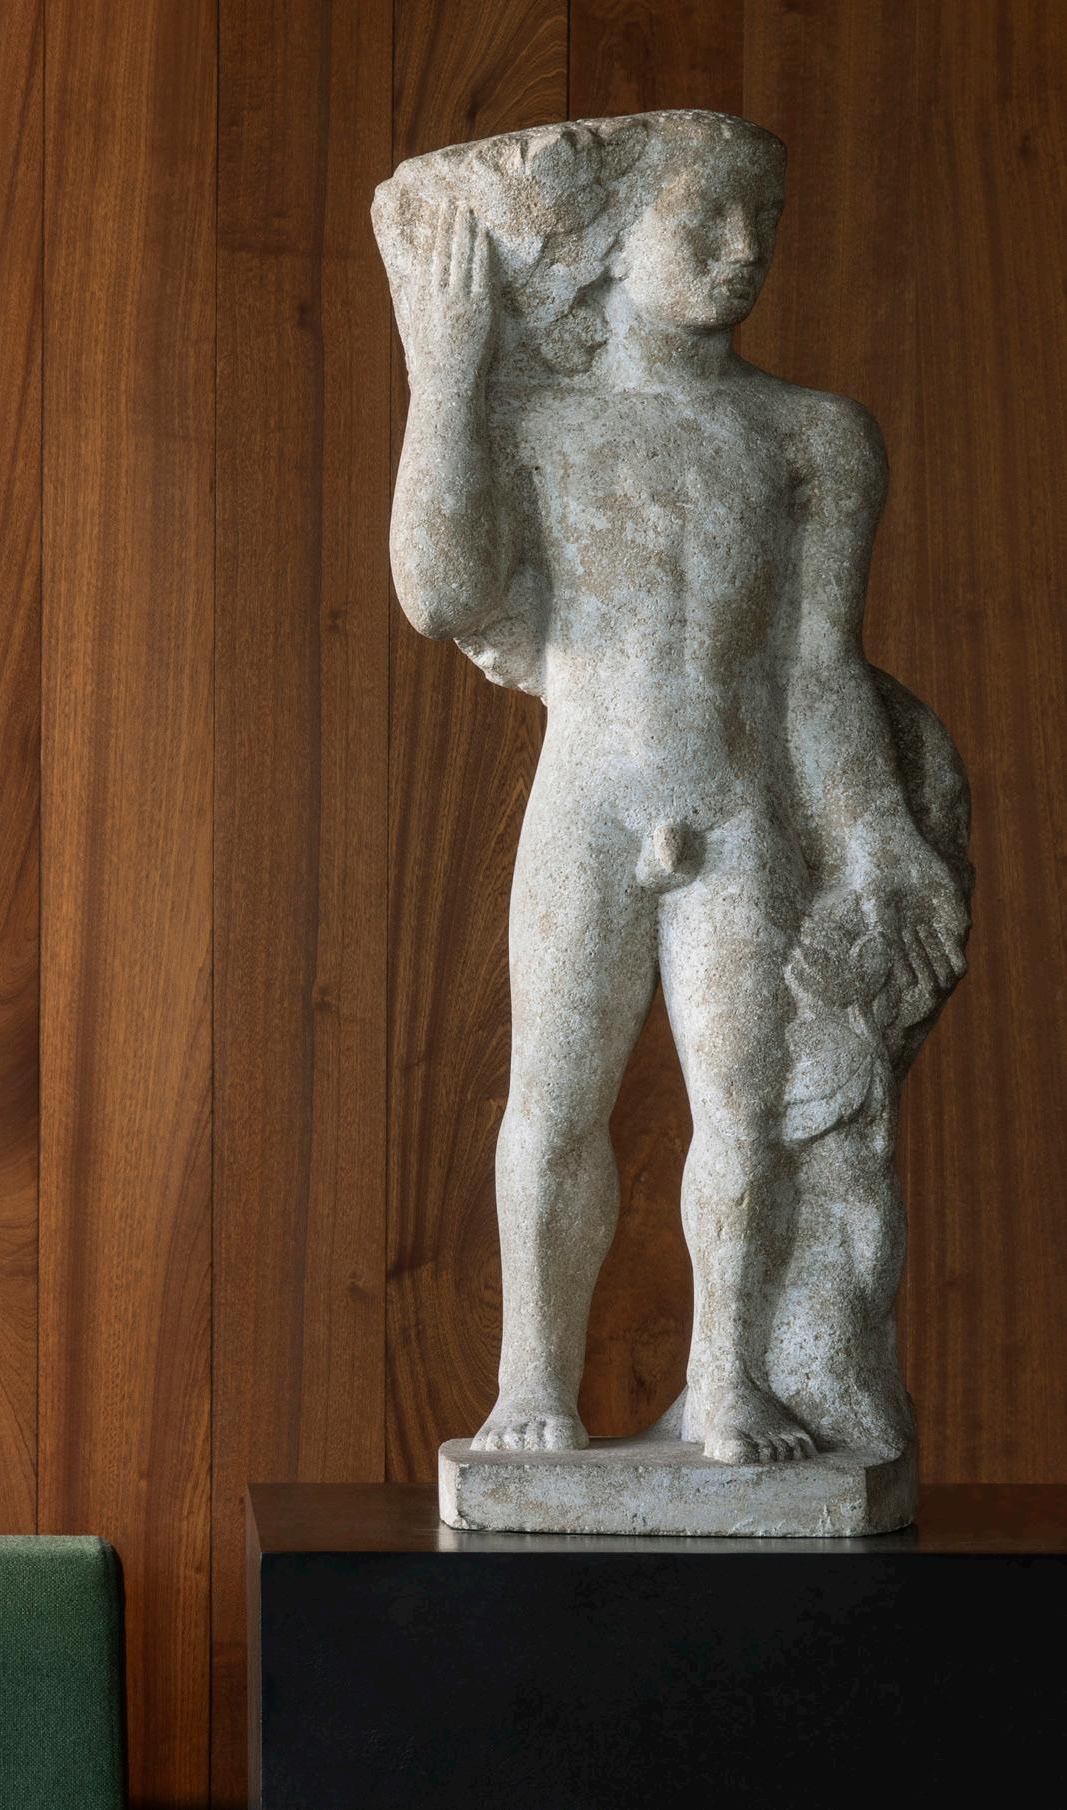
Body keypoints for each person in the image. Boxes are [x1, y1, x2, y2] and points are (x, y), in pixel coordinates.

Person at [381, 113, 968, 1464]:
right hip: (590, 802)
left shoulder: (814, 439)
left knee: (743, 1116)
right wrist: (447, 379)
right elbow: (442, 593)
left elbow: (817, 671)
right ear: (609, 244)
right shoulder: (541, 427)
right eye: (704, 217)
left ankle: (727, 1382)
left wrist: (877, 833)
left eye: (765, 221)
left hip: (738, 808)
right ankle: (531, 1382)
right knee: (553, 1106)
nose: (743, 247)